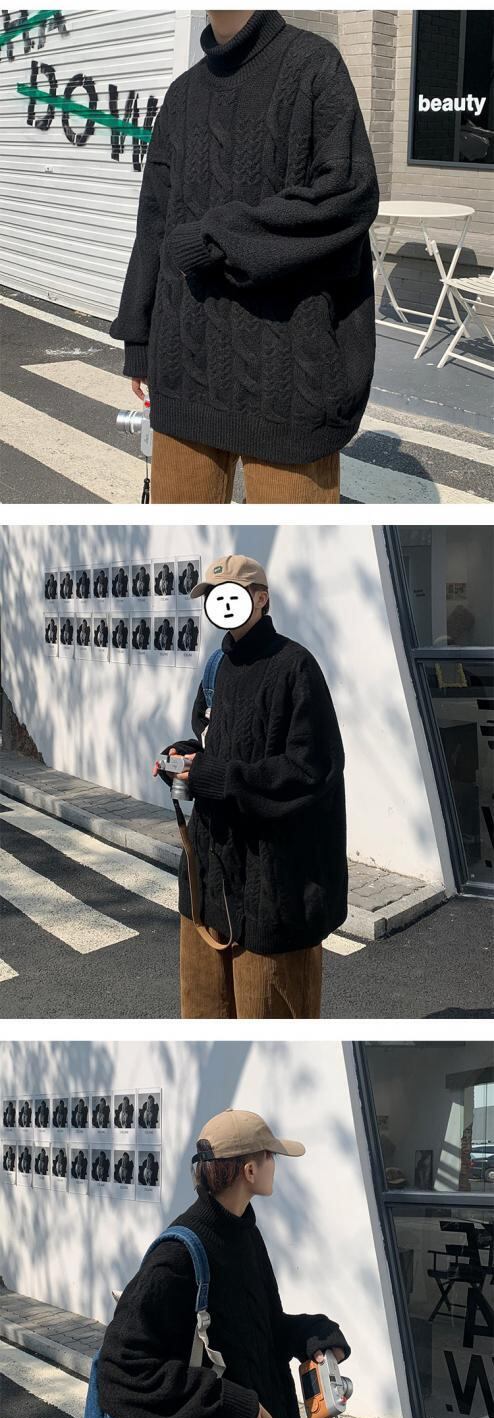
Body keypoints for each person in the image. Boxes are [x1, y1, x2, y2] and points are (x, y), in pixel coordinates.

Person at [110, 10, 379, 506]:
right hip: (184, 366)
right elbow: (154, 222)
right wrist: (139, 336)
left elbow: (348, 195)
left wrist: (217, 240)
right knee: (182, 545)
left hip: (290, 376)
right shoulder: (182, 94)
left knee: (296, 552)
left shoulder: (313, 64)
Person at [97, 1108, 350, 1418]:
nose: (275, 1165)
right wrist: (222, 1400)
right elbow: (120, 1371)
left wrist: (314, 1334)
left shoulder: (245, 1232)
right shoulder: (177, 1256)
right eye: (271, 1156)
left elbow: (260, 1330)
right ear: (249, 1170)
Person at [154, 553, 347, 1019]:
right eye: (212, 597)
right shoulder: (217, 666)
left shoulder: (295, 666)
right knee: (203, 1014)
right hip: (208, 877)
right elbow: (211, 741)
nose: (221, 605)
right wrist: (183, 758)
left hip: (272, 888)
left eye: (232, 595)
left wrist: (213, 775)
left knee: (271, 1021)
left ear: (261, 598)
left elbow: (312, 771)